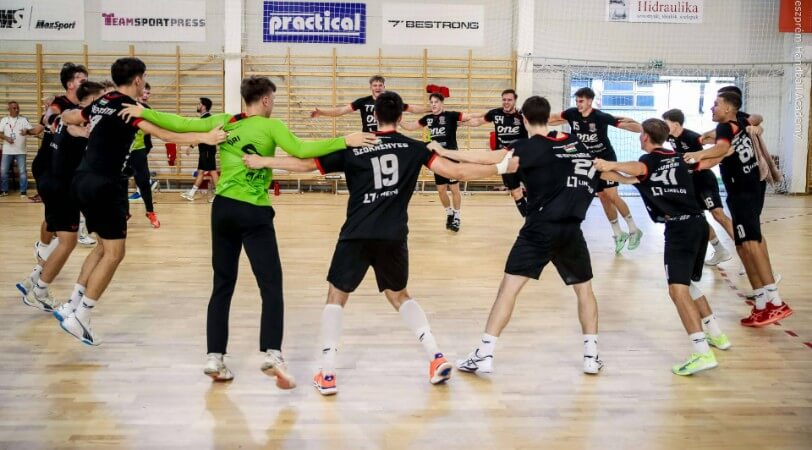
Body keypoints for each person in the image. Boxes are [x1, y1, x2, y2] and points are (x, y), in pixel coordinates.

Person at [243, 91, 518, 395]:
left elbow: (305, 164)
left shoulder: (355, 146)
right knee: (399, 295)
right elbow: (457, 171)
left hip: (356, 234)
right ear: (400, 117)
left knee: (336, 296)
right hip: (393, 235)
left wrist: (262, 161)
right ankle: (436, 357)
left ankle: (328, 372)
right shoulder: (414, 147)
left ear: (374, 116)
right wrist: (501, 168)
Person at [117, 75, 377, 388]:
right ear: (265, 100)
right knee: (271, 285)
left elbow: (181, 123)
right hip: (254, 211)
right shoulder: (271, 126)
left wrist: (143, 112)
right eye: (273, 99)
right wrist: (344, 140)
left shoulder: (225, 122)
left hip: (223, 209)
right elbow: (302, 149)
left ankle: (215, 357)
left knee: (222, 284)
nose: (273, 104)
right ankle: (272, 353)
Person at [58, 57, 227, 346]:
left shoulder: (103, 100)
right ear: (137, 79)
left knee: (102, 247)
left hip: (81, 179)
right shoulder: (129, 108)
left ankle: (71, 304)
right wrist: (207, 137)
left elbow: (72, 117)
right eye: (144, 78)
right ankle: (82, 316)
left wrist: (62, 116)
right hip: (105, 185)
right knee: (115, 254)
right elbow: (166, 133)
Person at [450, 96, 604, 376]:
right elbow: (592, 175)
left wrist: (443, 150)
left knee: (508, 290)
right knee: (584, 290)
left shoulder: (528, 147)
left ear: (524, 119)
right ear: (549, 117)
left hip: (539, 229)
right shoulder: (574, 144)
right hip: (572, 230)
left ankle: (485, 354)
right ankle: (591, 357)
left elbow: (489, 159)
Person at [595, 118, 730, 376]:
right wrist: (598, 170)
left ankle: (702, 352)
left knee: (677, 291)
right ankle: (717, 334)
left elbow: (636, 169)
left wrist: (611, 164)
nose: (639, 137)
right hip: (699, 225)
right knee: (688, 285)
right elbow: (628, 179)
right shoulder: (680, 158)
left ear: (645, 136)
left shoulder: (648, 161)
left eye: (641, 134)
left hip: (680, 230)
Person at [684, 92, 792, 327]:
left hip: (743, 193)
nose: (712, 108)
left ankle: (775, 301)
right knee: (743, 246)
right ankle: (761, 303)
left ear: (728, 109)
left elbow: (721, 149)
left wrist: (697, 155)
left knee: (751, 244)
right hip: (751, 189)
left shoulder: (725, 127)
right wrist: (698, 162)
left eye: (716, 104)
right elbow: (751, 122)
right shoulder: (740, 120)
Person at [17, 82, 106, 315]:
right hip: (62, 187)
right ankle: (39, 291)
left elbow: (57, 121)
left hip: (53, 182)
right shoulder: (78, 120)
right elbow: (75, 128)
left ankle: (34, 278)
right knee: (68, 242)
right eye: (101, 98)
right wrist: (87, 133)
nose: (104, 102)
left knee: (63, 239)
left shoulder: (64, 116)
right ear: (91, 100)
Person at [548, 87, 644, 254]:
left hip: (606, 160)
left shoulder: (600, 116)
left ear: (590, 101)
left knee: (612, 196)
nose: (578, 104)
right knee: (603, 198)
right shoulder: (571, 114)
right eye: (577, 101)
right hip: (590, 161)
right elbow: (554, 118)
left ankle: (634, 229)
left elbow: (632, 127)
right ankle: (618, 233)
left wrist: (641, 126)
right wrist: (534, 118)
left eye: (581, 101)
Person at [662, 109, 733, 266]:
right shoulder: (670, 137)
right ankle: (720, 250)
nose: (664, 127)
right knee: (698, 218)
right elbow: (652, 131)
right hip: (689, 182)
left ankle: (745, 252)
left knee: (718, 214)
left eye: (666, 123)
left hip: (704, 179)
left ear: (676, 124)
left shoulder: (691, 137)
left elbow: (714, 146)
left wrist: (724, 149)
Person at [400, 92, 478, 231]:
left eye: (436, 102)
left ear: (442, 103)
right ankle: (449, 213)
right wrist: (398, 119)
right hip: (438, 159)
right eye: (431, 102)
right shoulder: (428, 118)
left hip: (451, 157)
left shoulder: (451, 116)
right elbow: (411, 127)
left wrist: (488, 115)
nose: (433, 104)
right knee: (441, 190)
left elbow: (470, 116)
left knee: (454, 188)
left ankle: (457, 216)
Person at [465, 89, 529, 216]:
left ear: (515, 100)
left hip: (522, 158)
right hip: (504, 158)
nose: (506, 102)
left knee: (533, 188)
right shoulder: (495, 113)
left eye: (509, 100)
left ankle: (538, 217)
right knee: (515, 192)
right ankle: (528, 219)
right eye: (504, 99)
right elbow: (478, 121)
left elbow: (536, 126)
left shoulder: (522, 115)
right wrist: (460, 124)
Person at [310, 75, 427, 132]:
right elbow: (341, 110)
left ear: (384, 87)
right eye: (375, 85)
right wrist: (322, 112)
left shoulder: (391, 101)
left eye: (380, 85)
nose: (378, 88)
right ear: (370, 87)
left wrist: (430, 109)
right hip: (368, 138)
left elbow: (412, 109)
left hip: (386, 136)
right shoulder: (363, 101)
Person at [127, 82, 160, 228]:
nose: (145, 95)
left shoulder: (146, 109)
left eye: (148, 93)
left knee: (144, 181)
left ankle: (150, 212)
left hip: (139, 149)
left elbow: (153, 128)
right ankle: (124, 212)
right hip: (122, 151)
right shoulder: (124, 104)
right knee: (120, 182)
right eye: (144, 92)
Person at [181, 97, 220, 201]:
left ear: (203, 106)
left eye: (199, 104)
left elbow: (200, 137)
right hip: (204, 150)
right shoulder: (205, 118)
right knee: (201, 172)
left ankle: (219, 195)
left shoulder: (206, 119)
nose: (197, 106)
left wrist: (191, 146)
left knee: (212, 171)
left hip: (207, 150)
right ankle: (191, 193)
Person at [0, 101, 33, 197]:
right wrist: (6, 138)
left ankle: (23, 191)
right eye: (14, 108)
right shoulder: (4, 120)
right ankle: (4, 190)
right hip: (7, 151)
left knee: (22, 172)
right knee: (3, 171)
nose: (17, 110)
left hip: (21, 150)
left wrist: (26, 130)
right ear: (9, 109)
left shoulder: (23, 120)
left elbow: (31, 130)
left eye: (18, 108)